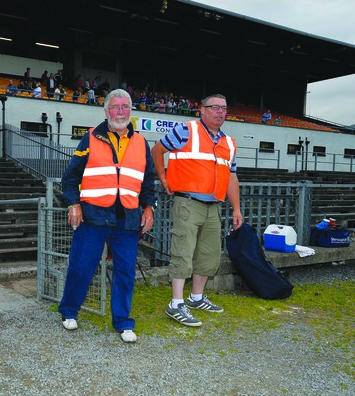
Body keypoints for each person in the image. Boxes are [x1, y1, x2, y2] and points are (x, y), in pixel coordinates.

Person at [58, 89, 157, 343]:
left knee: (125, 271)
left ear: (131, 111)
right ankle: (69, 310)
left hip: (128, 219)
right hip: (93, 215)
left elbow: (148, 182)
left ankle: (123, 322)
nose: (120, 112)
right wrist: (73, 204)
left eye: (125, 107)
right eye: (115, 107)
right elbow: (70, 178)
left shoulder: (141, 143)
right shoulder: (90, 137)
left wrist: (149, 207)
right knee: (82, 266)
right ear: (106, 111)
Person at [151, 93, 242, 328]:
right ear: (201, 110)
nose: (220, 112)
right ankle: (176, 303)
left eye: (223, 108)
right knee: (183, 251)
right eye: (214, 107)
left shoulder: (229, 143)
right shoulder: (186, 130)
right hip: (187, 203)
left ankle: (196, 298)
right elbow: (157, 150)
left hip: (214, 207)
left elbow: (232, 178)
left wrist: (237, 208)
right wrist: (162, 177)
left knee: (209, 254)